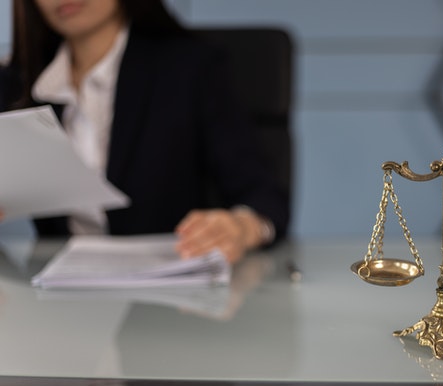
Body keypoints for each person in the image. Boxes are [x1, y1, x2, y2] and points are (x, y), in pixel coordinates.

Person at [0, 0, 290, 263]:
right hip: (55, 298)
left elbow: (264, 196)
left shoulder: (190, 68)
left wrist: (240, 227)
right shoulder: (17, 86)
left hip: (170, 292)